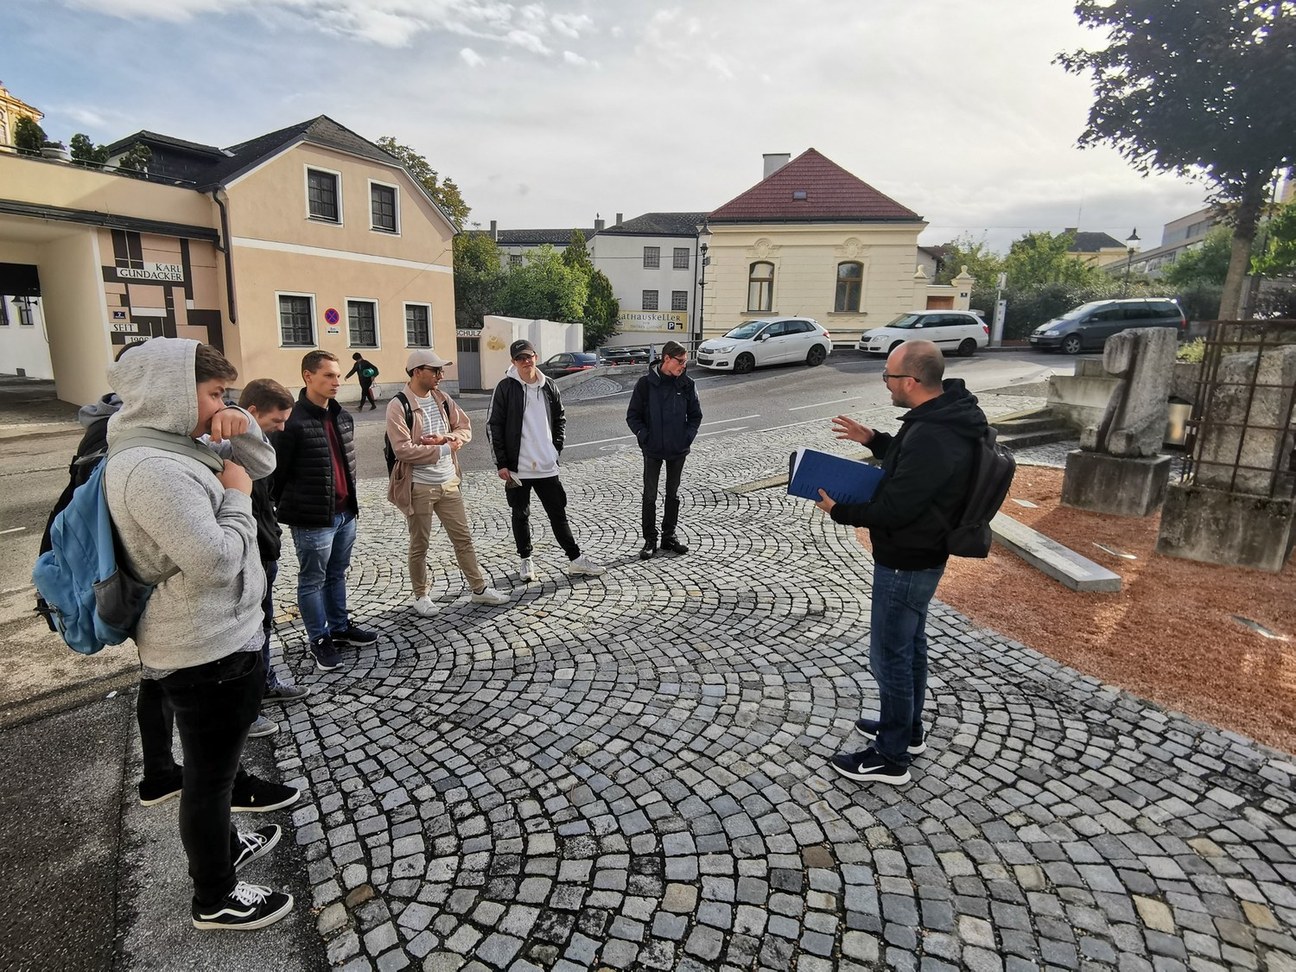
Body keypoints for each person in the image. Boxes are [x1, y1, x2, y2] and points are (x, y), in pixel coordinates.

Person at [103, 338, 294, 929]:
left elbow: (262, 466)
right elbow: (215, 561)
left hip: (219, 635)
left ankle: (225, 846)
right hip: (201, 645)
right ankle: (215, 895)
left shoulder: (177, 442)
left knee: (216, 766)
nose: (222, 404)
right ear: (171, 392)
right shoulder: (149, 468)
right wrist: (236, 499)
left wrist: (238, 430)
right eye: (214, 393)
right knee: (209, 783)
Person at [813, 340, 986, 786]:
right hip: (920, 551)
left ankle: (890, 758)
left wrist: (840, 511)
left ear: (910, 382)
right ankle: (907, 730)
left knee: (890, 655)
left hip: (907, 557)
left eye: (888, 376)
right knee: (910, 647)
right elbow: (914, 471)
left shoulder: (935, 434)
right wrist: (875, 441)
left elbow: (896, 508)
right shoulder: (941, 417)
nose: (885, 383)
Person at [272, 350, 377, 672]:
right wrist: (287, 507)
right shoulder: (291, 422)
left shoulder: (342, 416)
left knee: (336, 573)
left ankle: (340, 627)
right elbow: (277, 474)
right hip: (312, 520)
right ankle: (319, 638)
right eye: (329, 376)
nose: (336, 381)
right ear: (308, 377)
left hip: (346, 513)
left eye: (337, 375)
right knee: (312, 579)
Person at [387, 350, 509, 612]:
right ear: (417, 371)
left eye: (441, 370)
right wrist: (444, 449)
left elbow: (465, 428)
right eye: (435, 371)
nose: (441, 375)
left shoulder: (442, 398)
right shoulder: (399, 405)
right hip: (419, 485)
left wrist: (446, 440)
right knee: (420, 543)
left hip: (449, 481)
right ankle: (421, 596)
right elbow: (402, 449)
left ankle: (479, 588)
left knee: (463, 538)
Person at [487, 339, 604, 582]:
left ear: (536, 357)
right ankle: (526, 560)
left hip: (546, 465)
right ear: (513, 362)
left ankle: (575, 560)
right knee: (520, 515)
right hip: (518, 468)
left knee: (558, 514)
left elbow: (560, 418)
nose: (526, 361)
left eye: (529, 356)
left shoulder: (548, 386)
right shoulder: (505, 388)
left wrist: (555, 449)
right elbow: (494, 426)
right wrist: (501, 463)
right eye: (520, 358)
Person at [237, 379, 311, 703]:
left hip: (266, 547)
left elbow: (267, 496)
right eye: (276, 420)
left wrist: (274, 532)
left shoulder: (260, 445)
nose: (282, 428)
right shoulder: (235, 450)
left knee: (263, 625)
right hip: (248, 553)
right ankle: (249, 702)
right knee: (249, 632)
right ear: (252, 412)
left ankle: (264, 683)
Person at [625, 339, 702, 560]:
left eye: (686, 362)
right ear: (666, 358)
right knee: (650, 496)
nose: (683, 366)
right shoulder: (645, 384)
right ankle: (650, 540)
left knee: (673, 494)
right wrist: (644, 436)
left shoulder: (687, 384)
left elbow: (696, 416)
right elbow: (633, 416)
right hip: (653, 449)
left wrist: (687, 437)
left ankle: (669, 536)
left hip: (678, 450)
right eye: (680, 361)